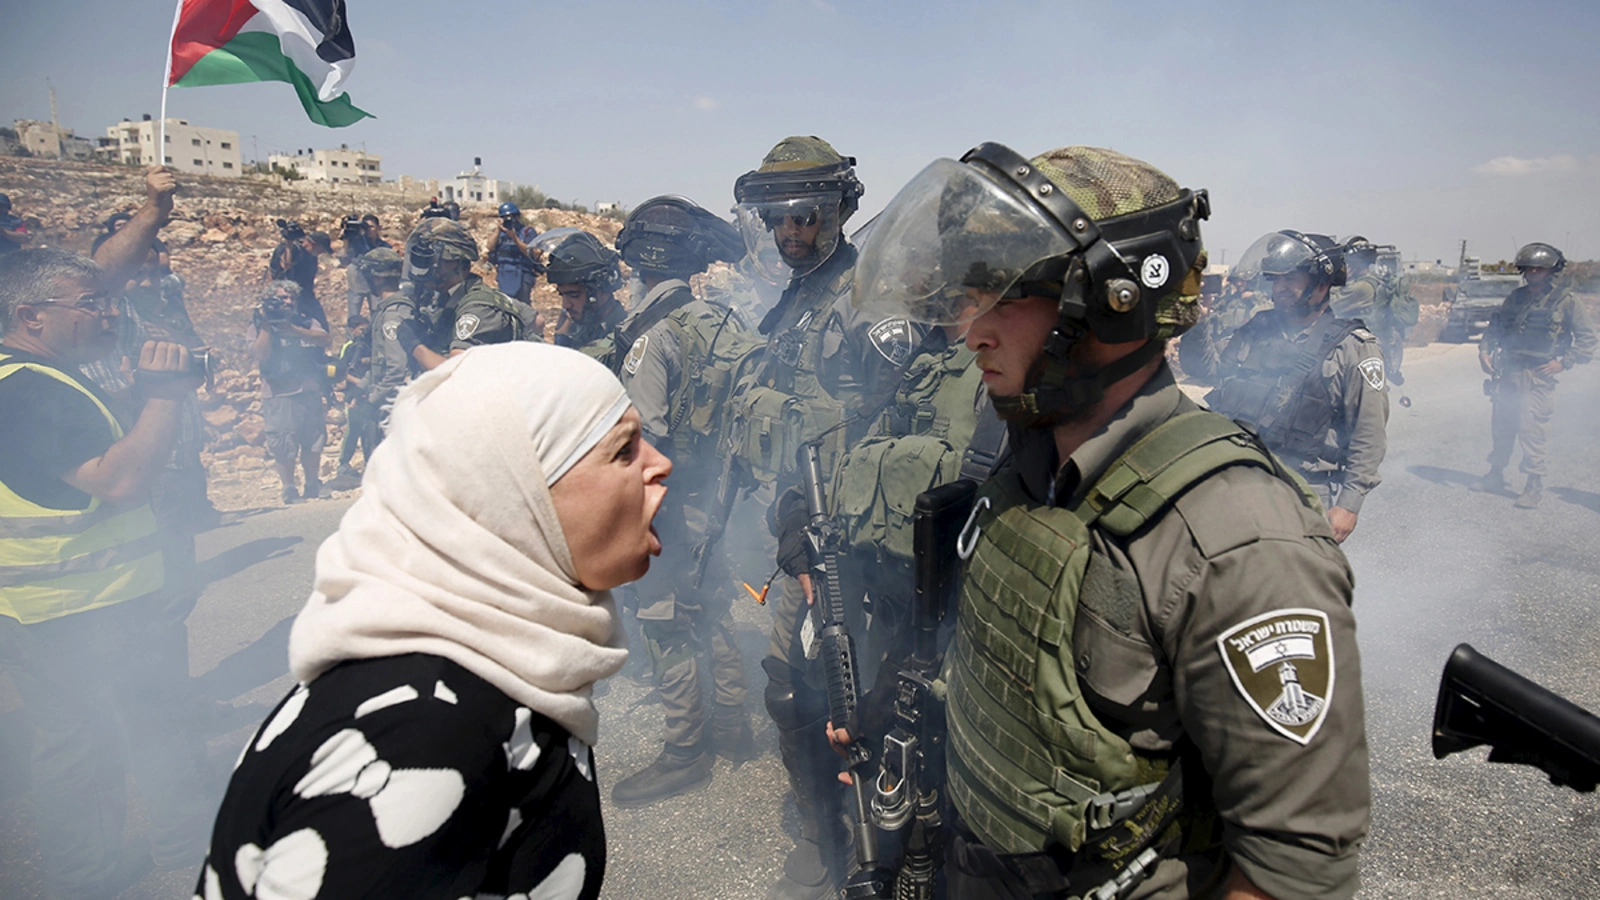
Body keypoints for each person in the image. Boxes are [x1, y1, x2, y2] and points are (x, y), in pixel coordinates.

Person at [849, 142, 1369, 900]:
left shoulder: (1237, 540)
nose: (970, 332)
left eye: (999, 296)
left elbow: (1295, 865)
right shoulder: (1030, 461)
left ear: (1106, 302)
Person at [197, 342, 669, 900]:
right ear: (510, 498)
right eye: (623, 450)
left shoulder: (486, 669)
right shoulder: (426, 735)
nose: (658, 463)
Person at [729, 135, 919, 900]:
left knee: (864, 699)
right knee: (790, 688)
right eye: (778, 219)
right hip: (800, 526)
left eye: (805, 217)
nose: (790, 233)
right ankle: (826, 834)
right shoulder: (799, 299)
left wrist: (827, 539)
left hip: (855, 544)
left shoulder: (867, 298)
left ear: (839, 212)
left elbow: (891, 426)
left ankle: (883, 846)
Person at [0, 248, 215, 898]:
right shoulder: (26, 386)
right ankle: (85, 878)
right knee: (79, 744)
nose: (107, 313)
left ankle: (182, 833)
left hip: (104, 597)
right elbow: (119, 478)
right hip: (71, 608)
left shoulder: (49, 376)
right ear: (29, 314)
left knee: (153, 716)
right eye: (89, 303)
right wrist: (163, 396)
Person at [602, 196, 757, 808]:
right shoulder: (724, 323)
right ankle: (733, 730)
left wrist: (625, 520)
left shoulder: (653, 333)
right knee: (712, 610)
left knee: (666, 623)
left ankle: (684, 751)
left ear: (642, 259)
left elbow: (646, 439)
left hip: (668, 504)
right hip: (719, 506)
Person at [1203, 230, 1389, 543]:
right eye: (1276, 280)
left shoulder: (1352, 347)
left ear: (1321, 284)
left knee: (1294, 585)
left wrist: (1350, 503)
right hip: (1240, 479)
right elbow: (1209, 370)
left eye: (1291, 279)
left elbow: (1368, 432)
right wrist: (1197, 326)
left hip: (1304, 489)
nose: (1281, 289)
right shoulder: (1255, 331)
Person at [1472, 242, 1596, 508]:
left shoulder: (1567, 301)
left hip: (1538, 375)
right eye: (1529, 269)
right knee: (1502, 424)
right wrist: (1484, 351)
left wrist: (1563, 363)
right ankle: (1495, 475)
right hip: (1509, 371)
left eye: (1540, 269)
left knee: (1532, 428)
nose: (1533, 273)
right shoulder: (1516, 298)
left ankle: (1533, 484)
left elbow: (1588, 339)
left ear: (1551, 271)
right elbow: (1496, 328)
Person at [247, 280, 333, 504]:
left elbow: (325, 340)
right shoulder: (259, 325)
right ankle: (289, 487)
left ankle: (313, 483)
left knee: (314, 439)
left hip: (309, 389)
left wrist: (294, 331)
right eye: (282, 298)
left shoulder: (306, 321)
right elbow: (260, 355)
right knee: (283, 443)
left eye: (291, 298)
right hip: (279, 393)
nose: (287, 302)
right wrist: (267, 325)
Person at [406, 217, 541, 351]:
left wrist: (414, 345)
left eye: (438, 262)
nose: (430, 269)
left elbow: (457, 366)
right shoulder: (445, 296)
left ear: (459, 264)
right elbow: (537, 320)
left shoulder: (477, 306)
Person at [1332, 237, 1416, 386]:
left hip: (1359, 350)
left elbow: (1328, 302)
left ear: (1355, 263)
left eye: (1346, 261)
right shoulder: (1376, 281)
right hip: (1370, 347)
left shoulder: (1362, 287)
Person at [547, 230, 627, 350]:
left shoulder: (624, 337)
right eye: (562, 295)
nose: (565, 305)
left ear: (603, 292)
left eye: (574, 295)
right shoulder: (587, 328)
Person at [327, 313, 379, 492]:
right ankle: (344, 463)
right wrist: (360, 384)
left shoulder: (371, 346)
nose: (364, 333)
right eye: (361, 329)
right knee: (353, 430)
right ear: (352, 330)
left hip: (369, 394)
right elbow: (343, 371)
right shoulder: (350, 347)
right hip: (353, 395)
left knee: (371, 430)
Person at [269, 220, 332, 329]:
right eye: (321, 249)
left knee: (322, 326)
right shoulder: (294, 249)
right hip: (288, 296)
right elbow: (286, 265)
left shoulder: (311, 255)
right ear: (313, 244)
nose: (321, 252)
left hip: (306, 296)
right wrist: (289, 243)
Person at [339, 213, 391, 326]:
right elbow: (343, 260)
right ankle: (351, 339)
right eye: (365, 227)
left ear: (379, 228)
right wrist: (346, 240)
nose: (368, 230)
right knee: (354, 313)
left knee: (377, 311)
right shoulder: (357, 242)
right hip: (357, 280)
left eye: (371, 227)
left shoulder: (384, 246)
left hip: (375, 282)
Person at [489, 201, 543, 303]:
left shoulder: (527, 232)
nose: (508, 219)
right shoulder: (500, 233)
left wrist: (514, 237)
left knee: (522, 305)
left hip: (523, 273)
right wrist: (498, 230)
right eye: (505, 217)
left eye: (511, 217)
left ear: (517, 217)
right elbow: (490, 247)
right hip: (504, 273)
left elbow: (532, 253)